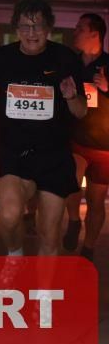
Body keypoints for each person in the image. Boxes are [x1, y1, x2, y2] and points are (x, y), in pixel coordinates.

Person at [0, 0, 85, 270]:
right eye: (25, 26)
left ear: (49, 28)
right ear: (16, 28)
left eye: (38, 26)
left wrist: (71, 97)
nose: (32, 33)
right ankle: (15, 255)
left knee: (49, 234)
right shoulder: (2, 58)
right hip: (15, 152)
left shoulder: (65, 58)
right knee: (9, 215)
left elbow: (81, 111)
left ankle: (43, 294)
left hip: (54, 154)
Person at [63, 13, 109, 261]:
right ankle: (73, 220)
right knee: (70, 182)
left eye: (80, 28)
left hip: (104, 145)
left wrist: (106, 88)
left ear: (95, 34)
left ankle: (89, 248)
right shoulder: (70, 63)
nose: (75, 32)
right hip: (76, 138)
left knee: (96, 200)